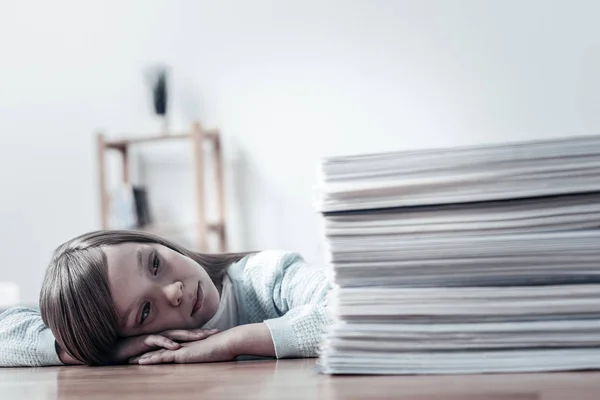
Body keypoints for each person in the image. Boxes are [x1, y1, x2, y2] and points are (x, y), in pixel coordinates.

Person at [0, 230, 333, 367]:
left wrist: (236, 340)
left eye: (155, 263)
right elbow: (7, 332)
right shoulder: (137, 350)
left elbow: (348, 311)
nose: (174, 291)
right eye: (145, 311)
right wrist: (99, 351)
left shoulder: (267, 275)